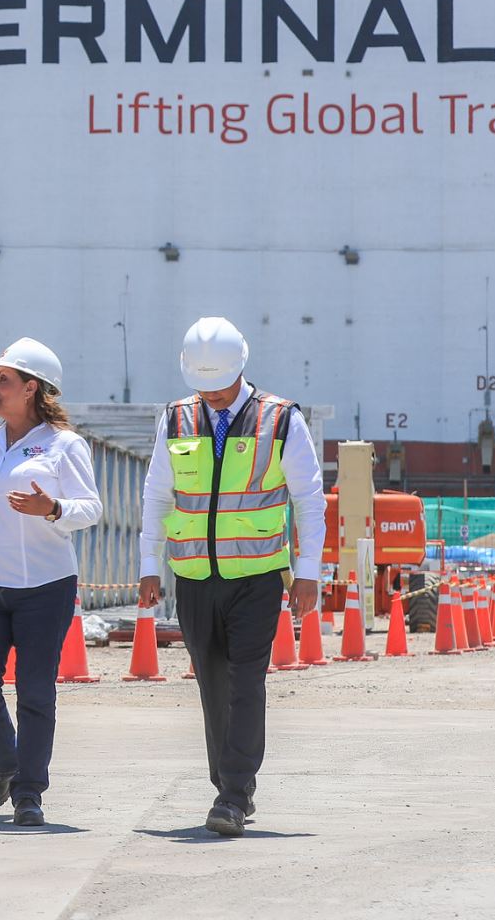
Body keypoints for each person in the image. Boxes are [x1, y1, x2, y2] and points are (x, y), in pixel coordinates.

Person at [137, 317, 324, 836]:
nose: (213, 396)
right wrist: (148, 565)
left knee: (246, 680)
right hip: (194, 576)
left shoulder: (281, 419)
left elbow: (308, 499)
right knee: (211, 681)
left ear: (242, 368)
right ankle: (229, 780)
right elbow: (156, 495)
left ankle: (234, 793)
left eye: (220, 385)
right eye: (203, 386)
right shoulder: (175, 418)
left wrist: (308, 573)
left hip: (259, 576)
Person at [0, 338, 103, 826]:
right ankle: (7, 764)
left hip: (43, 586)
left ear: (31, 388)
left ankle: (29, 793)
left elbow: (89, 508)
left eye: (3, 381)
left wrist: (51, 509)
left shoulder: (63, 444)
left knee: (34, 691)